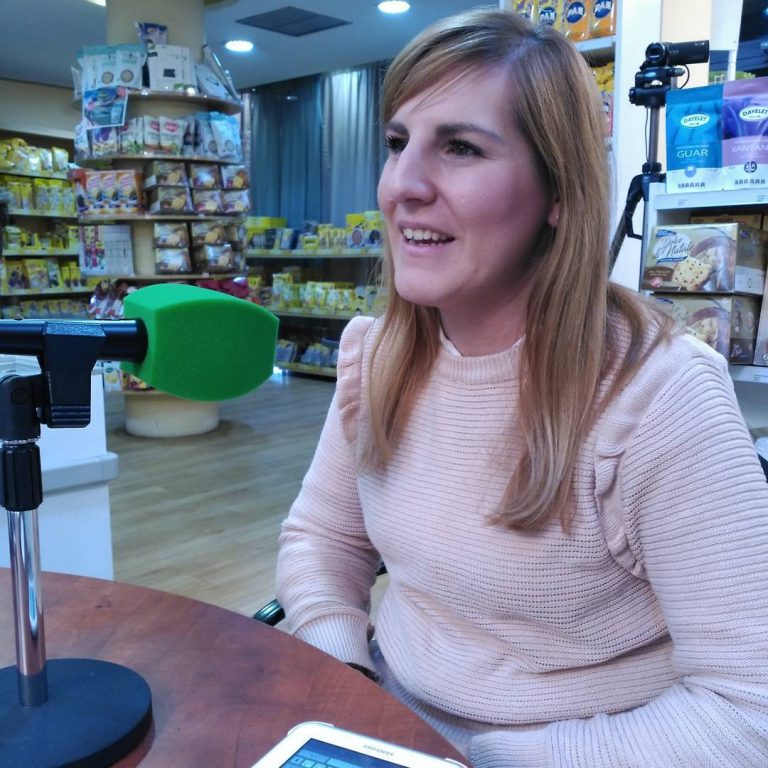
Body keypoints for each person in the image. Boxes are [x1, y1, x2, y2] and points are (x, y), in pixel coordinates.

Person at [275, 8, 768, 767]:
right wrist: (348, 686)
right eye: (398, 143)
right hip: (379, 729)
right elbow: (322, 539)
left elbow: (749, 709)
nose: (402, 186)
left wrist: (488, 758)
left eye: (461, 148)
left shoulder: (662, 398)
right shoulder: (376, 355)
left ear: (558, 192)